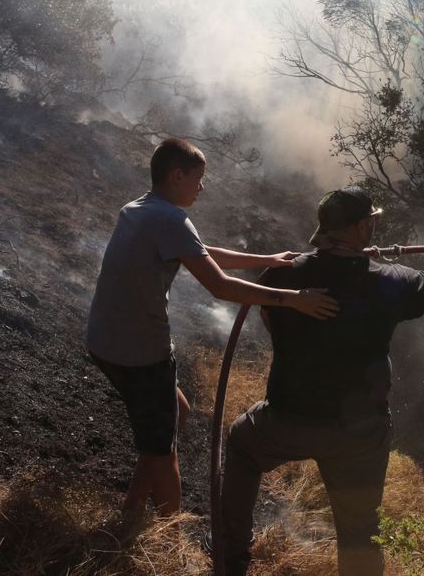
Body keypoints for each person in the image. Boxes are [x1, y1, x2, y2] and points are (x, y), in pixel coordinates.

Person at [86, 138, 339, 521]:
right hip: (138, 352)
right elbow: (219, 286)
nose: (201, 187)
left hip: (105, 340)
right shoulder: (169, 218)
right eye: (198, 179)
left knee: (175, 415)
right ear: (176, 176)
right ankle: (168, 538)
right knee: (162, 448)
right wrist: (294, 298)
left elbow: (200, 251)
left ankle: (133, 510)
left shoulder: (141, 209)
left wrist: (266, 259)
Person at [219, 186, 424, 576]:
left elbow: (267, 317)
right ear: (362, 227)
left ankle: (234, 554)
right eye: (372, 222)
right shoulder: (389, 280)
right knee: (360, 532)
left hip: (288, 418)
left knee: (242, 442)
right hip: (359, 433)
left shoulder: (285, 274)